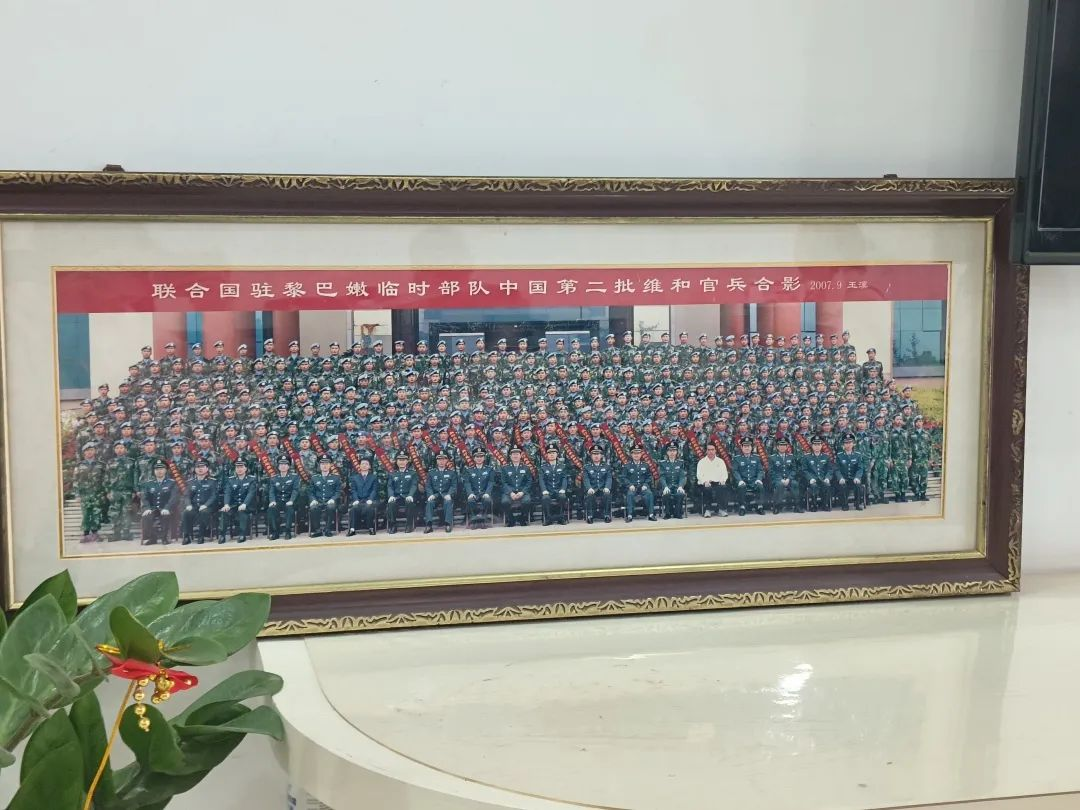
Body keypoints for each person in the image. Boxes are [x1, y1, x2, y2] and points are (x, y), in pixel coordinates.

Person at [73, 441, 106, 543]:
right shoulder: (79, 465)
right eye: (87, 450)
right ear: (84, 453)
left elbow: (105, 480)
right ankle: (86, 534)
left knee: (96, 514)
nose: (89, 452)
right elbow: (75, 481)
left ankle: (95, 533)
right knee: (86, 514)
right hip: (85, 494)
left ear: (95, 451)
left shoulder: (101, 465)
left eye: (91, 450)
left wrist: (105, 493)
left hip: (97, 494)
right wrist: (77, 495)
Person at [140, 459, 178, 545]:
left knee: (165, 515)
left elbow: (174, 498)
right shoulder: (149, 484)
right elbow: (145, 498)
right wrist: (147, 508)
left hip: (166, 508)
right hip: (153, 508)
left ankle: (164, 538)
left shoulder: (171, 483)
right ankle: (152, 538)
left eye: (161, 469)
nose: (159, 471)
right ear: (154, 471)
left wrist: (167, 508)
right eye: (157, 469)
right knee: (147, 516)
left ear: (166, 470)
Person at [105, 439, 136, 541]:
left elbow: (134, 477)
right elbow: (106, 477)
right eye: (117, 448)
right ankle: (116, 533)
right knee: (114, 512)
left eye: (122, 448)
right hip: (115, 491)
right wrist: (108, 491)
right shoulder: (110, 462)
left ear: (125, 449)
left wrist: (134, 491)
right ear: (114, 450)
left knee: (126, 512)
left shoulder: (131, 462)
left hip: (127, 491)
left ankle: (126, 533)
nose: (119, 450)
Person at [219, 459, 257, 543]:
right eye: (237, 467)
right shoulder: (231, 480)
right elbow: (227, 493)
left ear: (245, 468)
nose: (239, 469)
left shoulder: (251, 479)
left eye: (241, 467)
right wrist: (226, 504)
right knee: (225, 512)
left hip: (247, 505)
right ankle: (222, 535)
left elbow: (251, 493)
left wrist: (245, 504)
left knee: (242, 511)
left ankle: (242, 534)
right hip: (234, 505)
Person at [308, 456, 342, 538]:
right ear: (319, 466)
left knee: (331, 507)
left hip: (330, 501)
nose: (325, 466)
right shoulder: (314, 478)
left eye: (326, 463)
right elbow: (311, 492)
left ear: (330, 465)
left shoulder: (336, 477)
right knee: (313, 508)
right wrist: (313, 500)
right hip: (318, 501)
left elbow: (338, 492)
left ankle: (328, 529)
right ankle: (317, 530)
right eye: (322, 464)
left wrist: (333, 499)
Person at [267, 457, 300, 540]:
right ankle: (275, 532)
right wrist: (272, 501)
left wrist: (291, 500)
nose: (283, 466)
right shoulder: (274, 478)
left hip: (289, 501)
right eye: (281, 464)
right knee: (272, 508)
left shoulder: (294, 477)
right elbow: (271, 491)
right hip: (278, 501)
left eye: (285, 464)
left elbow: (295, 490)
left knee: (289, 509)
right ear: (278, 467)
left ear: (288, 466)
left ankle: (288, 531)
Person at [731, 437, 766, 516]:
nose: (747, 448)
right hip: (743, 481)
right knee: (741, 487)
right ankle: (742, 507)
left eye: (748, 446)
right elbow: (735, 471)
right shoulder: (737, 458)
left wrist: (759, 479)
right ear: (742, 447)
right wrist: (739, 480)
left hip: (753, 481)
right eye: (745, 446)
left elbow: (760, 470)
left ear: (751, 447)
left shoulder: (756, 458)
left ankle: (759, 506)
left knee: (760, 486)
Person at [424, 451, 458, 533]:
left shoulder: (452, 473)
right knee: (430, 502)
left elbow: (453, 486)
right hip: (435, 495)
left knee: (448, 501)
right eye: (439, 459)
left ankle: (448, 524)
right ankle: (429, 525)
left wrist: (449, 494)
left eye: (443, 459)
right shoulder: (431, 473)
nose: (441, 461)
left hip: (446, 495)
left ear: (446, 460)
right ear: (436, 461)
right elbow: (428, 486)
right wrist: (430, 495)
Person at [622, 445, 656, 522]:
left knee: (649, 494)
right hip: (632, 486)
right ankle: (630, 515)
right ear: (631, 454)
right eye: (634, 453)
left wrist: (645, 485)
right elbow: (623, 477)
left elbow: (649, 477)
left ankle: (651, 514)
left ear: (641, 454)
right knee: (630, 494)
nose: (636, 455)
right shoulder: (627, 466)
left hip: (643, 486)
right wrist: (630, 485)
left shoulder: (645, 465)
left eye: (638, 453)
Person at [386, 452, 418, 533]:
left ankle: (409, 525)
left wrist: (410, 495)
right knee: (391, 504)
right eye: (400, 460)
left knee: (409, 502)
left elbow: (414, 485)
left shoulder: (412, 473)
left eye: (403, 460)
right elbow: (390, 486)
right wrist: (391, 496)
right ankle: (393, 525)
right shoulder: (392, 474)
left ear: (407, 461)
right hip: (397, 497)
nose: (402, 462)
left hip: (407, 496)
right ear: (396, 462)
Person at [463, 448, 496, 528]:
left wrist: (487, 493)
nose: (479, 458)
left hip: (484, 493)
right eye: (477, 457)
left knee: (487, 500)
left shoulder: (489, 469)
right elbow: (467, 483)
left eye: (481, 456)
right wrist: (470, 493)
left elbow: (491, 482)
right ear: (474, 458)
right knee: (470, 501)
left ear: (484, 458)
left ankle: (484, 520)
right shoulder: (469, 470)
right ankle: (474, 520)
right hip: (474, 493)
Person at [833, 433, 866, 511]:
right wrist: (840, 478)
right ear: (843, 445)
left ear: (853, 444)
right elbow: (837, 469)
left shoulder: (857, 455)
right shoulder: (839, 455)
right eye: (846, 443)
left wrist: (857, 477)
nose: (848, 445)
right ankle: (845, 504)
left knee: (858, 486)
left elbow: (860, 468)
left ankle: (857, 504)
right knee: (842, 486)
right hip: (843, 478)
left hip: (853, 478)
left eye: (850, 443)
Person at [768, 436, 801, 514]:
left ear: (786, 447)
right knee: (780, 485)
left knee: (795, 484)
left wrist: (789, 478)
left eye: (784, 445)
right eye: (780, 445)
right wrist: (781, 479)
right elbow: (772, 471)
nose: (782, 447)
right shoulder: (772, 458)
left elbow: (794, 470)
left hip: (789, 479)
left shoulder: (791, 457)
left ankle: (797, 506)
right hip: (777, 480)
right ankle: (776, 506)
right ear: (777, 447)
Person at [695, 443, 729, 518]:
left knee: (723, 487)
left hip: (717, 483)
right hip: (706, 483)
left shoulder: (720, 461)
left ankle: (721, 509)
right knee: (707, 489)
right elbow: (699, 475)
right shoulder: (702, 462)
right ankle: (708, 510)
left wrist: (723, 480)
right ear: (706, 451)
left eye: (712, 450)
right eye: (709, 450)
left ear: (715, 450)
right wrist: (705, 481)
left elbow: (724, 473)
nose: (711, 451)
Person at [802, 435, 834, 512]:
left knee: (827, 485)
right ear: (812, 446)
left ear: (821, 445)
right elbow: (804, 470)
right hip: (812, 480)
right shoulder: (807, 457)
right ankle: (814, 505)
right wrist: (810, 478)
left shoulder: (826, 457)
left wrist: (827, 478)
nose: (817, 447)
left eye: (819, 445)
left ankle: (824, 504)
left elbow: (830, 469)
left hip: (823, 479)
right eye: (815, 445)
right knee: (814, 486)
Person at [347, 458, 379, 536]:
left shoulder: (374, 477)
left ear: (369, 466)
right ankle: (352, 529)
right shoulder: (355, 478)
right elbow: (353, 490)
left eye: (366, 464)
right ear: (360, 466)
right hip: (359, 500)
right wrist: (356, 499)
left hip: (370, 500)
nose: (364, 465)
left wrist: (370, 499)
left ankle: (371, 528)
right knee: (354, 508)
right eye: (362, 464)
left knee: (369, 507)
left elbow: (374, 490)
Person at [539, 446, 569, 526]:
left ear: (557, 454)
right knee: (545, 498)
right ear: (547, 455)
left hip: (559, 490)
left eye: (553, 453)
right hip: (548, 491)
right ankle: (548, 518)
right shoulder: (543, 467)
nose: (551, 455)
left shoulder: (562, 466)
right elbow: (541, 480)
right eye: (549, 453)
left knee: (562, 497)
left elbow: (564, 479)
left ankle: (561, 518)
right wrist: (544, 490)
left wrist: (563, 489)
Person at [583, 446, 612, 524]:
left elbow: (609, 478)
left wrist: (607, 487)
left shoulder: (606, 466)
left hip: (603, 489)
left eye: (598, 454)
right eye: (594, 454)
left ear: (601, 455)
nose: (596, 456)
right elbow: (586, 479)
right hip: (592, 489)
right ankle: (590, 516)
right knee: (589, 495)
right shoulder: (587, 467)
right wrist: (589, 488)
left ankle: (606, 515)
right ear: (591, 456)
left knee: (607, 494)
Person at [908, 415, 931, 501]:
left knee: (924, 477)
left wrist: (930, 458)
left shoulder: (927, 434)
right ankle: (916, 494)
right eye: (917, 421)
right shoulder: (911, 434)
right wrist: (910, 458)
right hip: (915, 459)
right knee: (914, 477)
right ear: (915, 423)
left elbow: (929, 446)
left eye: (920, 421)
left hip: (924, 459)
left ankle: (923, 494)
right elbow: (908, 447)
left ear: (922, 423)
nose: (919, 423)